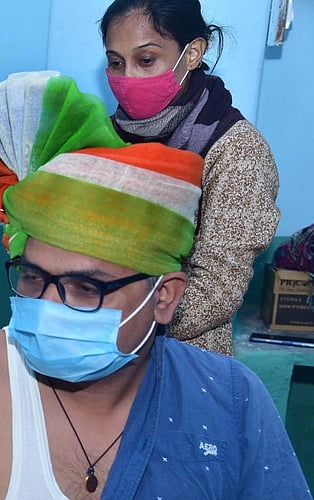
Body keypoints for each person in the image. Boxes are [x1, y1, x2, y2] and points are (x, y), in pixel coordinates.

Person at [0, 72, 312, 500]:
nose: (48, 305)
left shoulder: (227, 402)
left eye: (86, 287)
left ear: (165, 297)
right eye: (33, 277)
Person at [99, 0, 280, 355]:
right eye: (116, 62)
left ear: (193, 52)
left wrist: (115, 328)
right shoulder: (104, 138)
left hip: (180, 357)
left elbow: (216, 288)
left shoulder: (236, 149)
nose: (128, 77)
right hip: (94, 346)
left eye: (146, 60)